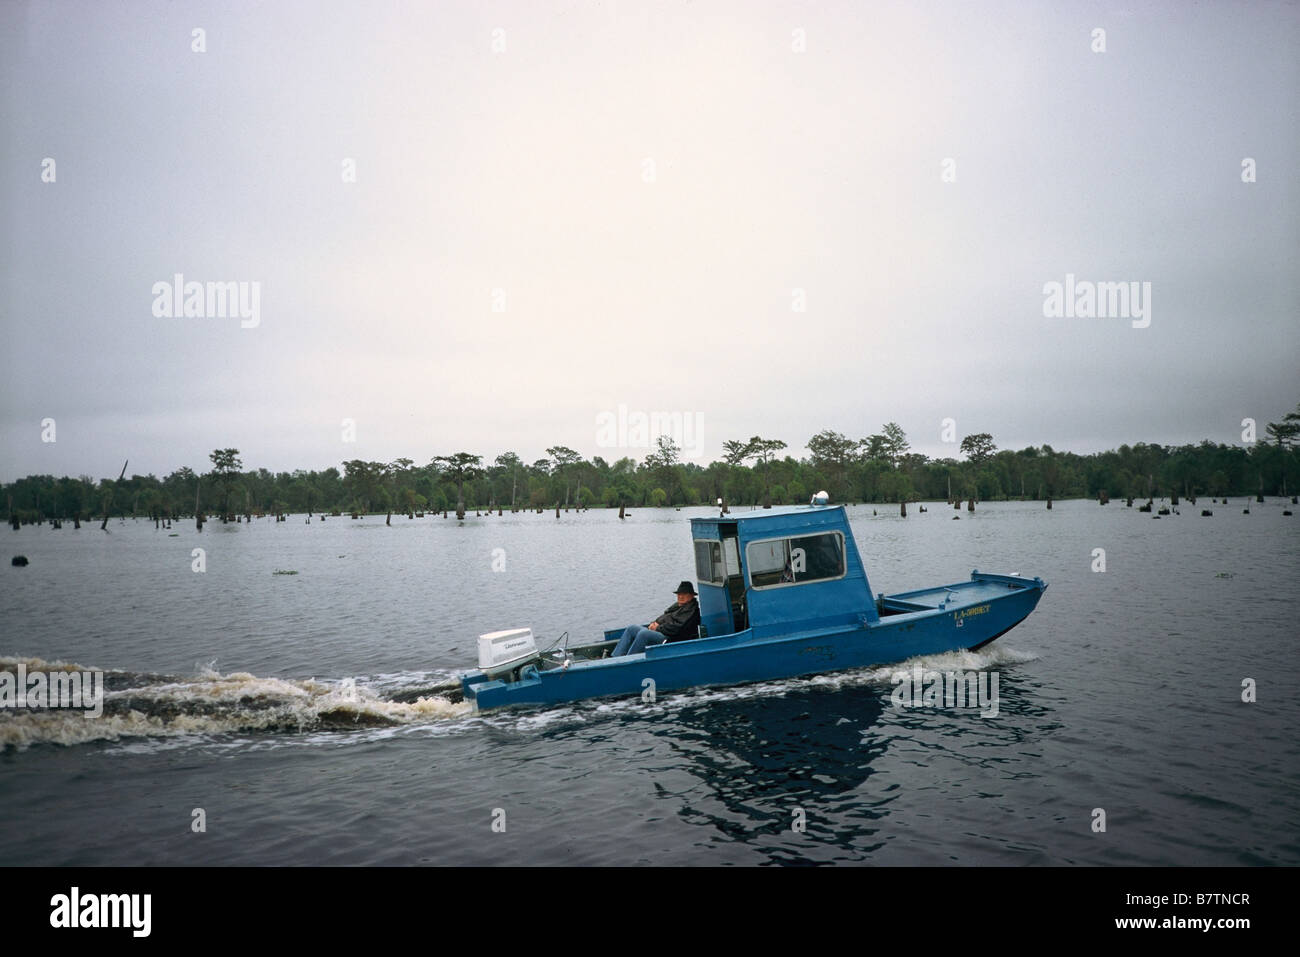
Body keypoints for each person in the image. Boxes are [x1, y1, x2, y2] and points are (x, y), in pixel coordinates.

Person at [611, 581, 700, 657]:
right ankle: (615, 658)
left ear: (691, 596)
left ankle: (629, 660)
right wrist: (654, 623)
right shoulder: (678, 606)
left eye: (684, 594)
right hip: (662, 631)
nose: (680, 596)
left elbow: (676, 628)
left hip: (671, 639)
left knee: (644, 634)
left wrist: (657, 628)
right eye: (679, 594)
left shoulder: (691, 610)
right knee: (631, 628)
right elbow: (664, 618)